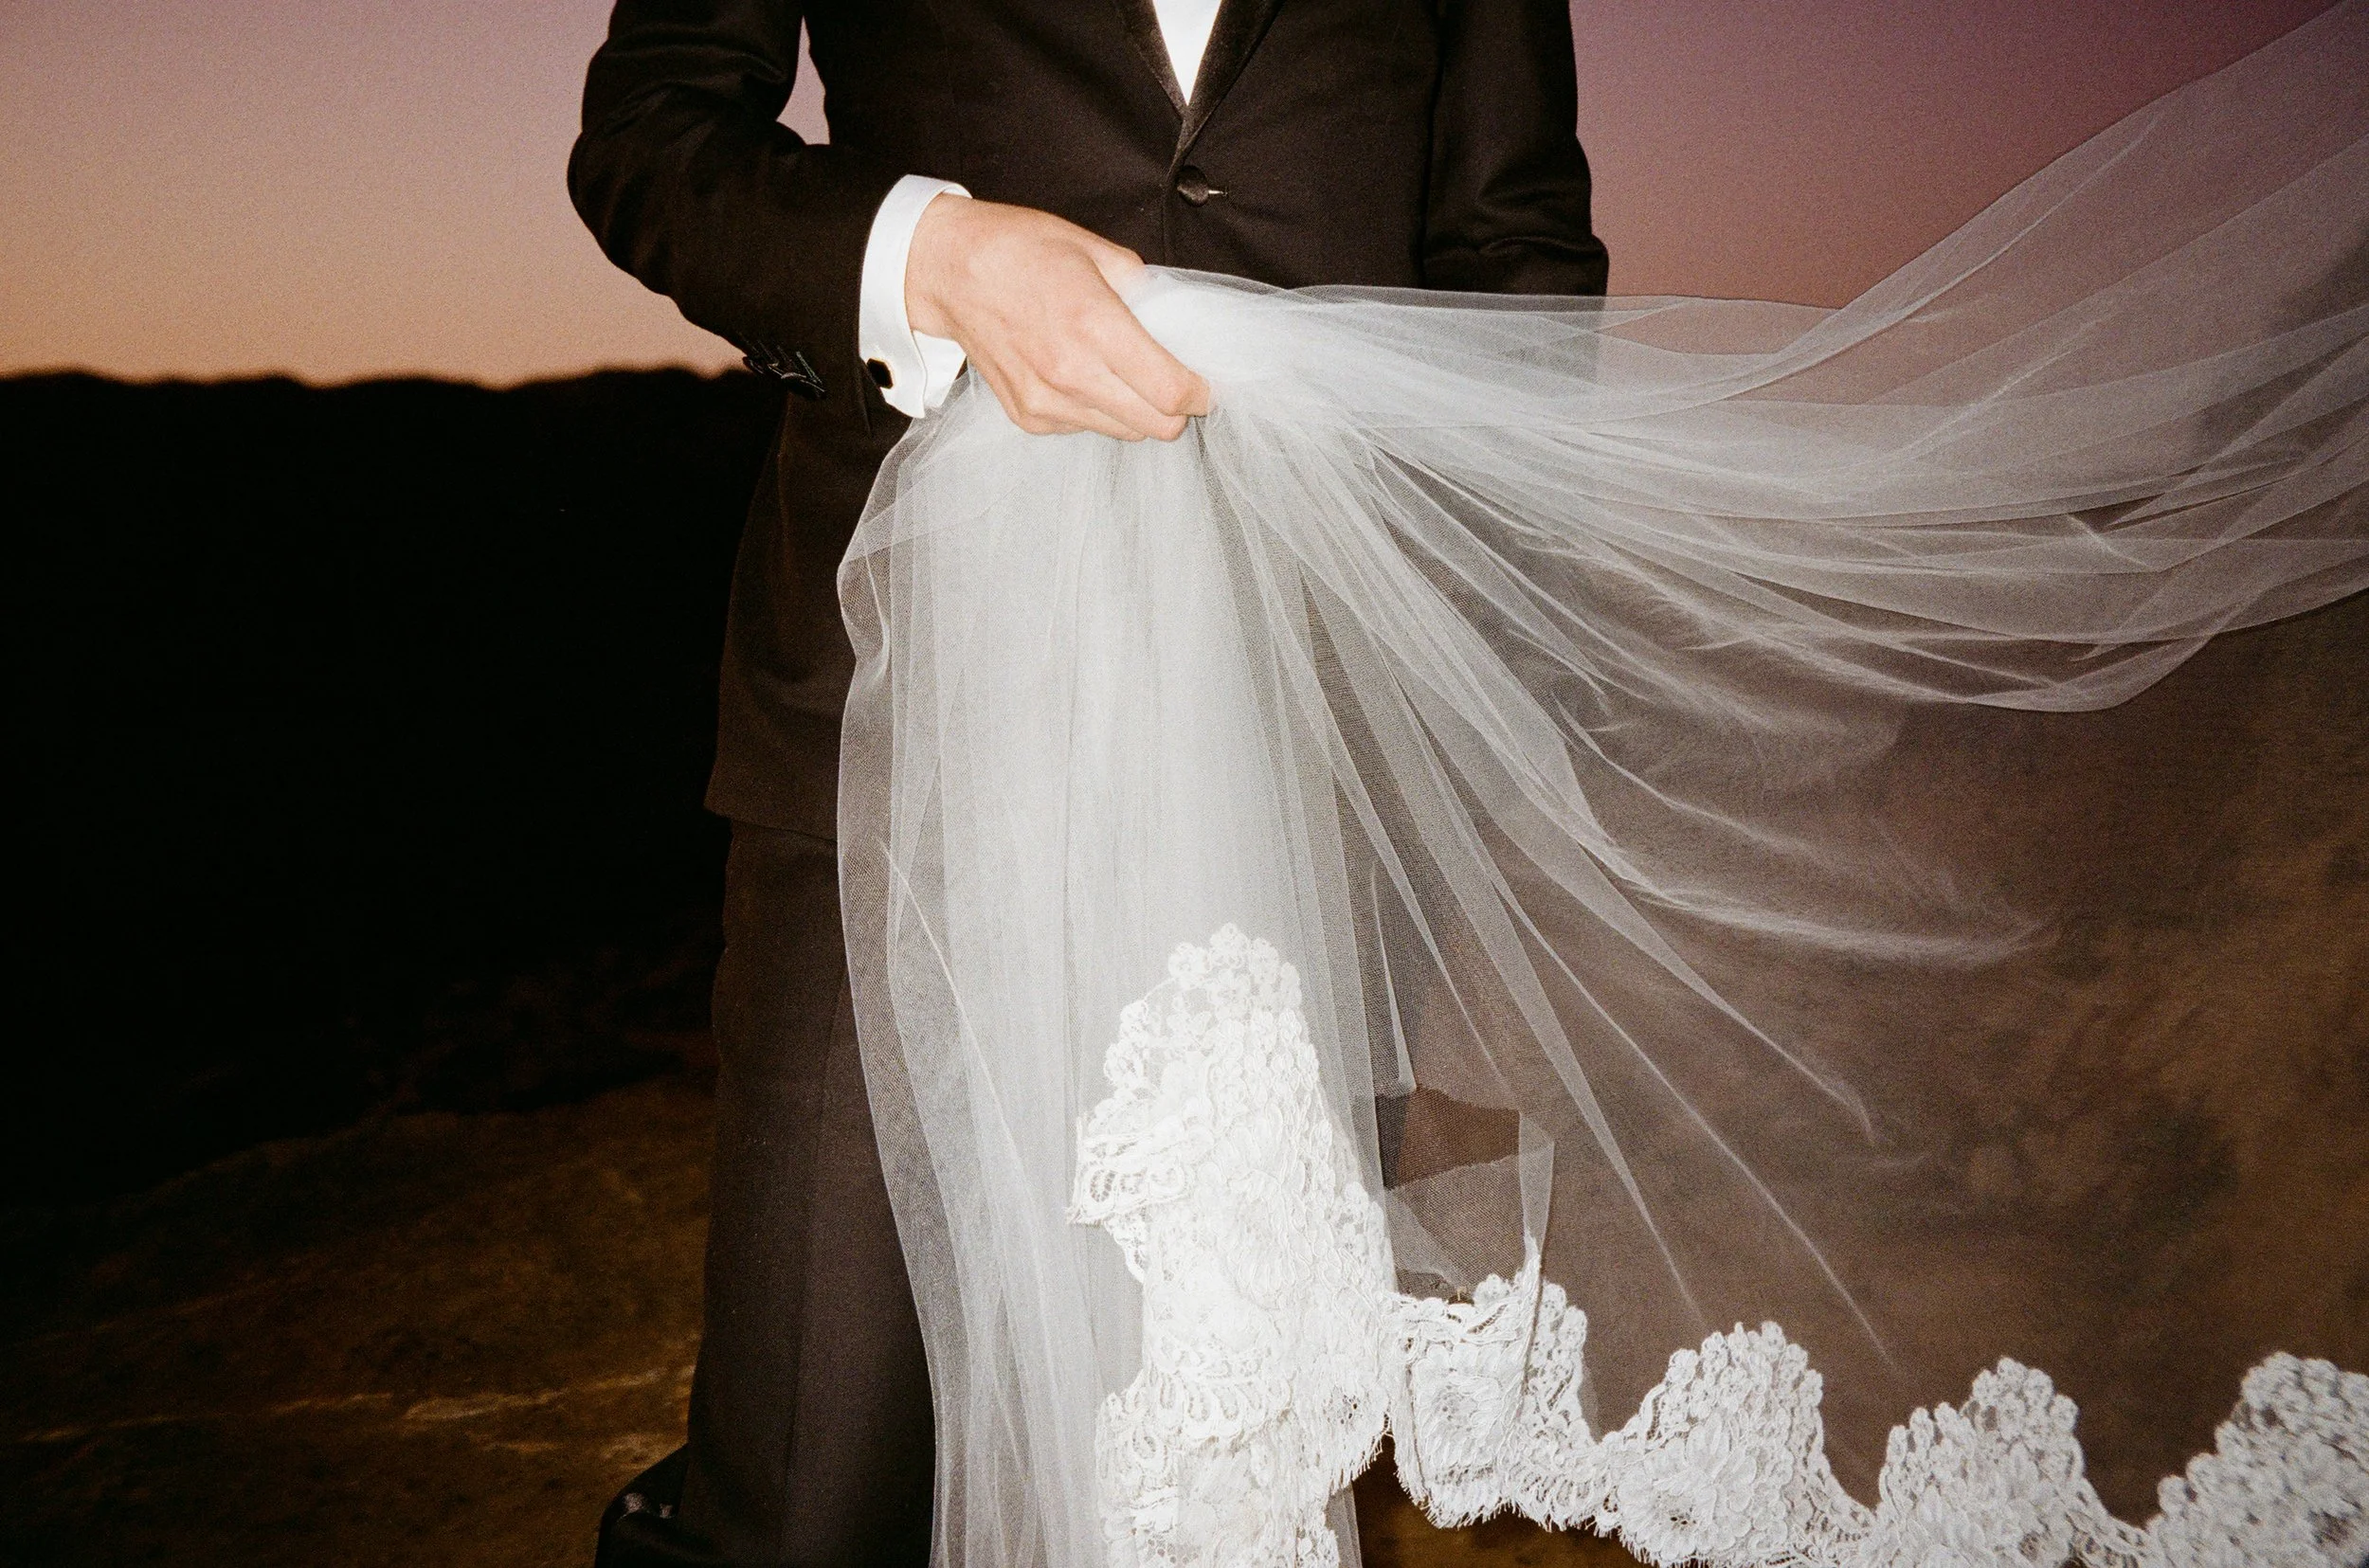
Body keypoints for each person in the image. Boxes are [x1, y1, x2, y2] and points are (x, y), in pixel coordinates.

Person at [568, 5, 1609, 1563]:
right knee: (809, 1481)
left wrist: (1442, 701)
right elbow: (650, 136)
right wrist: (931, 257)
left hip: (1297, 743)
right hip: (894, 714)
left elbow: (1515, 255)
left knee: (1208, 1443)